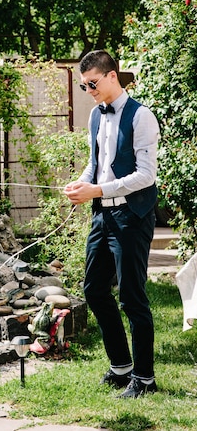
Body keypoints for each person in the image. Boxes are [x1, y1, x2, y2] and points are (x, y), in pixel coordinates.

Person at [64, 49, 160, 398]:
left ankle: (145, 379)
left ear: (111, 76)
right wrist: (81, 184)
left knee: (132, 298)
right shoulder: (94, 116)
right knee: (93, 289)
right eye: (83, 84)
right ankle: (121, 367)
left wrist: (97, 189)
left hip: (132, 215)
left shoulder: (142, 117)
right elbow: (97, 164)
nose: (88, 90)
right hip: (102, 213)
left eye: (92, 83)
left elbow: (146, 176)